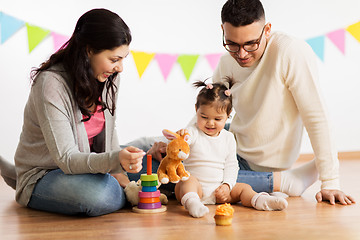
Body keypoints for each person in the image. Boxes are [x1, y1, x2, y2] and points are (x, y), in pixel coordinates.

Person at [148, 0, 355, 205]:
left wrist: (330, 181)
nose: (242, 54)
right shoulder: (228, 62)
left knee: (155, 174)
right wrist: (179, 142)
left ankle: (282, 182)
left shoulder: (290, 52)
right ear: (223, 30)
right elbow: (208, 112)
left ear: (267, 30)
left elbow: (316, 116)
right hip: (234, 142)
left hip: (259, 160)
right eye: (232, 44)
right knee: (149, 147)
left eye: (250, 44)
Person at [0, 8, 145, 216]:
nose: (120, 67)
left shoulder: (109, 78)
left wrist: (117, 169)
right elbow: (66, 158)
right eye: (114, 60)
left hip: (88, 161)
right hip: (47, 173)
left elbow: (110, 132)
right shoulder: (51, 83)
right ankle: (21, 181)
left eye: (123, 59)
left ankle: (130, 184)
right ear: (89, 50)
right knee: (100, 195)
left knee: (158, 160)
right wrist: (116, 167)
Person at [175, 80, 287, 218]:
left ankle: (261, 201)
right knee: (187, 181)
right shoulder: (192, 132)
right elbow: (183, 143)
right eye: (204, 117)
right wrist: (181, 138)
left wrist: (227, 186)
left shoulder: (228, 138)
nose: (210, 123)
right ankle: (193, 203)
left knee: (244, 188)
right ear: (196, 110)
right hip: (196, 188)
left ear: (228, 116)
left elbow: (232, 165)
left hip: (219, 190)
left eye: (217, 119)